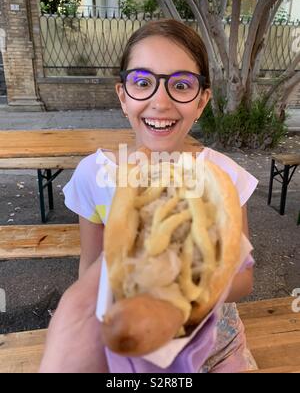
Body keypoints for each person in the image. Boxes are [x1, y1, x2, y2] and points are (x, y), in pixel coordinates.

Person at [41, 19, 258, 373]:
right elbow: (90, 268)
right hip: (139, 346)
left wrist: (180, 279)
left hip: (220, 343)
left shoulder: (225, 178)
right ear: (123, 96)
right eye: (143, 82)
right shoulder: (95, 176)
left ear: (202, 101)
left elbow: (243, 280)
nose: (160, 101)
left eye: (181, 85)